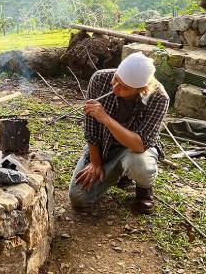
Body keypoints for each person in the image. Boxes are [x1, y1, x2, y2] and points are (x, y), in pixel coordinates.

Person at [68, 52, 169, 214]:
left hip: (133, 149)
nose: (115, 88)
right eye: (116, 79)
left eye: (124, 87)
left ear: (141, 89)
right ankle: (120, 173)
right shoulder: (100, 79)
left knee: (139, 164)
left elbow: (139, 144)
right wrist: (95, 163)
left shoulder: (159, 98)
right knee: (79, 198)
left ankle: (143, 189)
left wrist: (106, 119)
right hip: (105, 146)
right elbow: (91, 128)